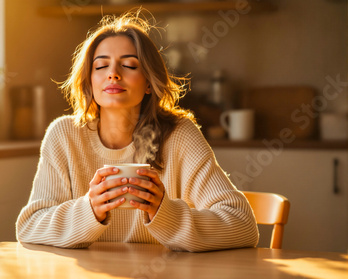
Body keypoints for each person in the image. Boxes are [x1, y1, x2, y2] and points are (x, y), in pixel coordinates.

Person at [16, 11, 259, 252]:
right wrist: (90, 209)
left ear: (149, 83)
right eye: (101, 66)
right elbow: (29, 227)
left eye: (129, 65)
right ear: (89, 81)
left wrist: (164, 212)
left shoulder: (180, 135)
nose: (113, 73)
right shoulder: (65, 135)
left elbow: (243, 225)